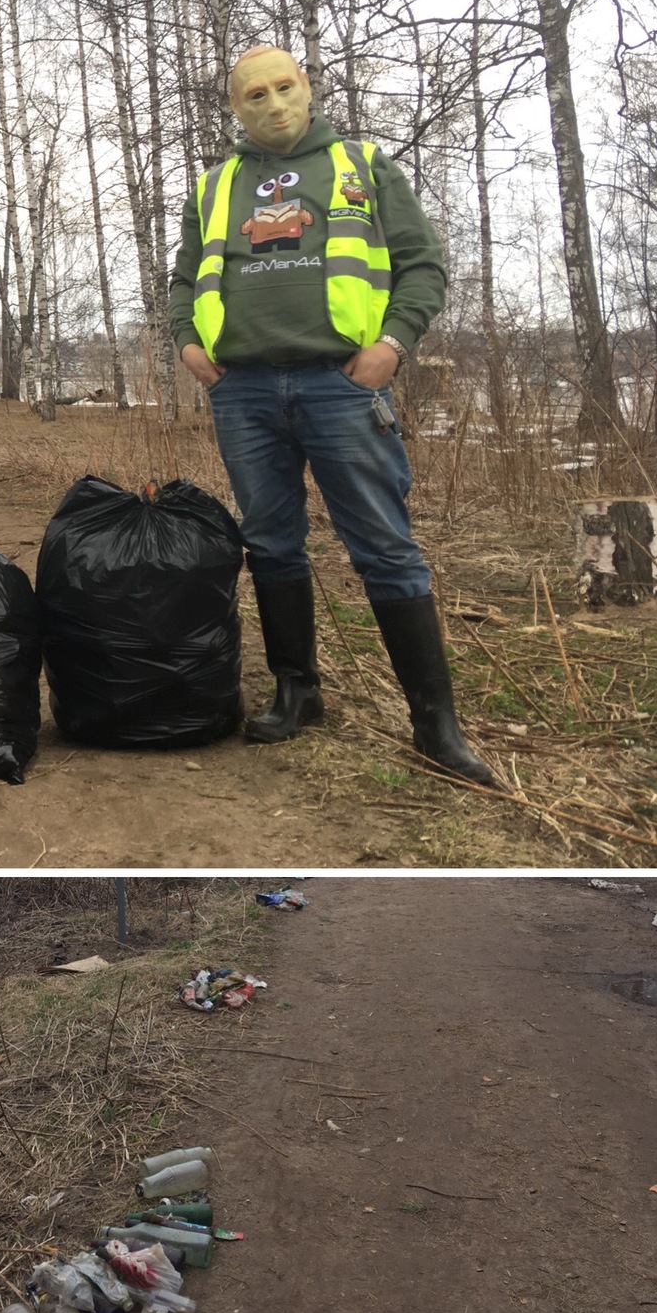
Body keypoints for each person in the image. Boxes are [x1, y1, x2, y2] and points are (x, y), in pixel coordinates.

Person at [167, 45, 493, 785]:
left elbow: (422, 264)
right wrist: (188, 345)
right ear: (236, 108)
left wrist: (392, 345)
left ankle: (435, 724)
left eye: (285, 88)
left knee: (384, 546)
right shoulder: (217, 185)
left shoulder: (361, 164)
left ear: (307, 89)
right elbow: (184, 277)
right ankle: (296, 692)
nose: (273, 104)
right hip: (244, 390)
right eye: (255, 95)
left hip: (341, 384)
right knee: (273, 544)